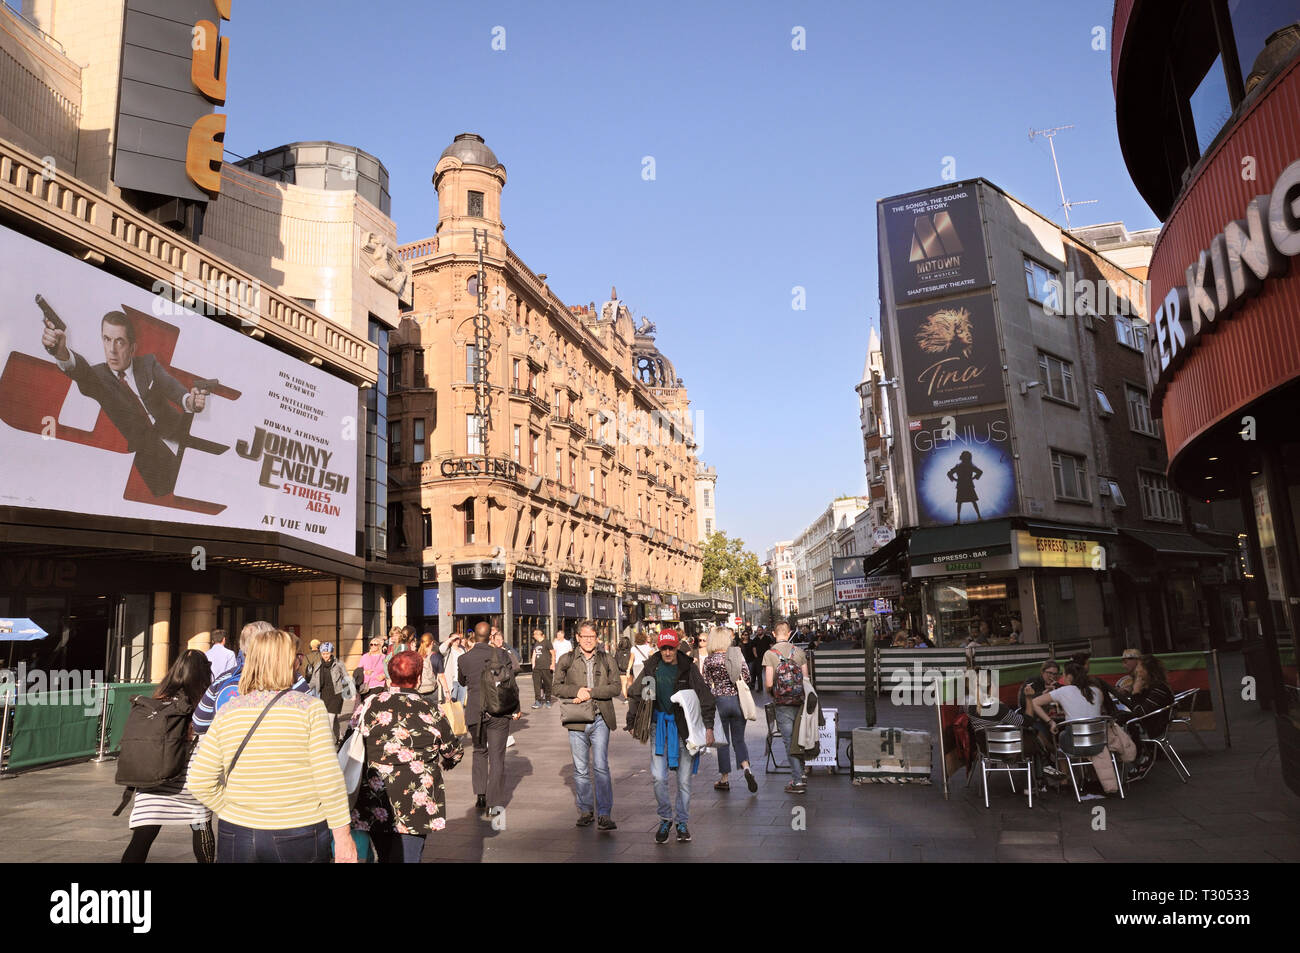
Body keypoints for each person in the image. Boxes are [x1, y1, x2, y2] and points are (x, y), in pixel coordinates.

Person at [188, 627, 356, 863]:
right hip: (298, 827)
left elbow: (199, 779)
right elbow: (328, 777)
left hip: (237, 830)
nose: (299, 663)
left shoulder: (229, 710)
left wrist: (231, 808)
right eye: (295, 657)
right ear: (287, 662)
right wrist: (342, 836)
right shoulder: (309, 708)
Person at [43, 309, 214, 497]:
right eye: (107, 339)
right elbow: (80, 370)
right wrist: (61, 352)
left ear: (132, 348)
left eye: (119, 342)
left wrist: (190, 401)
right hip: (150, 458)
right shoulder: (97, 378)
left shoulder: (148, 364)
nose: (112, 350)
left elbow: (172, 388)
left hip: (182, 436)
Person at [351, 651, 464, 863]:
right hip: (416, 798)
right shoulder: (430, 708)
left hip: (377, 796)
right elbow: (452, 749)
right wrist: (450, 760)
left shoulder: (369, 704)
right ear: (419, 678)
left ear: (389, 675)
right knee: (409, 857)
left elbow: (351, 738)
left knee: (386, 855)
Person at [121, 650, 215, 864]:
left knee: (142, 837)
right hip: (192, 778)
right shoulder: (205, 701)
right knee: (201, 826)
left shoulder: (159, 698)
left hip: (155, 776)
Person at [627, 629, 716, 844]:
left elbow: (705, 696)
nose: (667, 652)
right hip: (659, 726)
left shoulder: (688, 668)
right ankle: (665, 818)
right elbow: (638, 694)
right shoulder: (652, 667)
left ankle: (682, 822)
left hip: (684, 729)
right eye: (664, 648)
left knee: (684, 780)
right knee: (659, 777)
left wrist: (709, 727)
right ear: (659, 647)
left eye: (671, 648)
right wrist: (632, 721)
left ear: (677, 647)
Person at [553, 622, 621, 831]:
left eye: (592, 636)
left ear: (597, 638)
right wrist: (576, 691)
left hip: (601, 718)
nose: (589, 639)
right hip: (577, 720)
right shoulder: (567, 659)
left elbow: (617, 687)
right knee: (581, 769)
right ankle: (585, 810)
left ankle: (604, 814)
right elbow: (556, 687)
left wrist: (592, 692)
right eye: (585, 636)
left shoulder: (607, 659)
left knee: (601, 766)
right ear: (578, 638)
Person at [192, 620, 312, 735]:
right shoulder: (289, 677)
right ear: (268, 644)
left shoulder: (223, 679)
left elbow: (199, 723)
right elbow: (310, 719)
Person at [457, 621, 521, 818]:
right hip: (498, 711)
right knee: (497, 757)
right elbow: (511, 682)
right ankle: (494, 804)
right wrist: (516, 708)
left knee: (479, 752)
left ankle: (481, 795)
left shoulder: (464, 658)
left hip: (475, 712)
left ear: (474, 637)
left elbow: (462, 681)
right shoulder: (501, 654)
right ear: (490, 637)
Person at [702, 626, 756, 794]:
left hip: (719, 702)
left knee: (722, 742)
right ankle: (746, 767)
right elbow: (747, 677)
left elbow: (705, 684)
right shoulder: (736, 655)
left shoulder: (709, 660)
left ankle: (724, 779)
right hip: (737, 701)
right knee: (739, 740)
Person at [764, 622, 811, 794]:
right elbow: (806, 679)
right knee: (800, 737)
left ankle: (797, 781)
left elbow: (769, 683)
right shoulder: (799, 652)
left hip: (782, 703)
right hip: (799, 701)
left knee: (788, 741)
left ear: (773, 633)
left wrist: (773, 692)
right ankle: (802, 772)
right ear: (789, 633)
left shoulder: (769, 654)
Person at [305, 641, 354, 741]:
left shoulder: (338, 664)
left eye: (327, 653)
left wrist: (350, 692)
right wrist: (305, 688)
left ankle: (328, 741)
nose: (325, 656)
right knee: (333, 718)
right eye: (323, 654)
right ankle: (339, 737)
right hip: (324, 693)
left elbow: (346, 677)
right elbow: (314, 680)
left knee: (329, 718)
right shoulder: (319, 665)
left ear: (331, 652)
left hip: (336, 693)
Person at [946, 449, 983, 524]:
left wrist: (955, 479)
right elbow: (949, 473)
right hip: (964, 485)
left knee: (968, 502)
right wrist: (955, 479)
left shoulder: (965, 466)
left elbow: (949, 473)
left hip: (965, 485)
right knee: (966, 502)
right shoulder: (965, 466)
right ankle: (960, 519)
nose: (966, 458)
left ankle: (978, 517)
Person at [417, 632, 449, 704]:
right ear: (432, 642)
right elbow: (441, 676)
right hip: (432, 691)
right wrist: (447, 692)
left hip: (419, 690)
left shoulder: (417, 656)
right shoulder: (435, 656)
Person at [530, 629, 553, 709]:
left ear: (537, 634)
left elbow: (553, 653)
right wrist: (533, 664)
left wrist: (552, 664)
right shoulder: (536, 643)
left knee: (547, 684)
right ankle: (538, 701)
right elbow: (534, 653)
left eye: (534, 634)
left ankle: (548, 700)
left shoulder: (547, 642)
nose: (533, 636)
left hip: (546, 667)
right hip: (537, 668)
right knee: (536, 685)